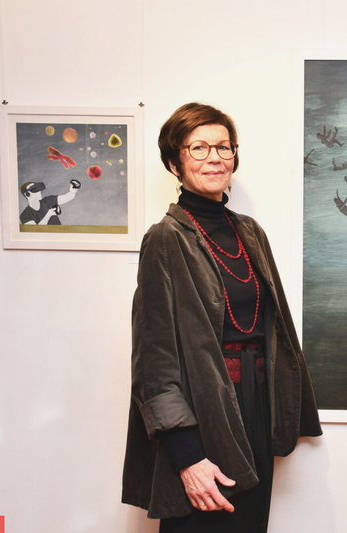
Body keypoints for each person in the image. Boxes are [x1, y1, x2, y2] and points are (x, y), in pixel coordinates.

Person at [121, 103, 322, 533]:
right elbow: (154, 361)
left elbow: (276, 333)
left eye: (223, 147)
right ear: (174, 162)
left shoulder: (250, 232)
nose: (214, 157)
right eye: (199, 148)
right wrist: (187, 456)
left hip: (255, 409)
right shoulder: (164, 238)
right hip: (201, 416)